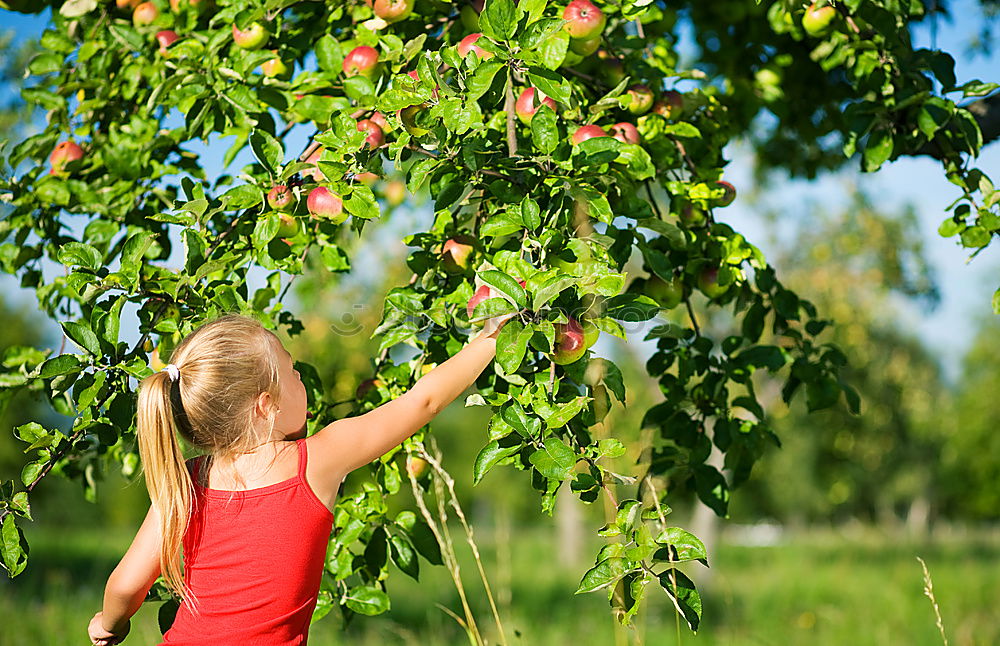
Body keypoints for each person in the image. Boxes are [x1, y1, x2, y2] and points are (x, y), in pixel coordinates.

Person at [87, 310, 515, 645]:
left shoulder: (186, 482)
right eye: (292, 371)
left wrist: (109, 624)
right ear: (266, 404)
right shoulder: (319, 460)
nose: (300, 378)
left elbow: (125, 586)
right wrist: (493, 336)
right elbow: (424, 401)